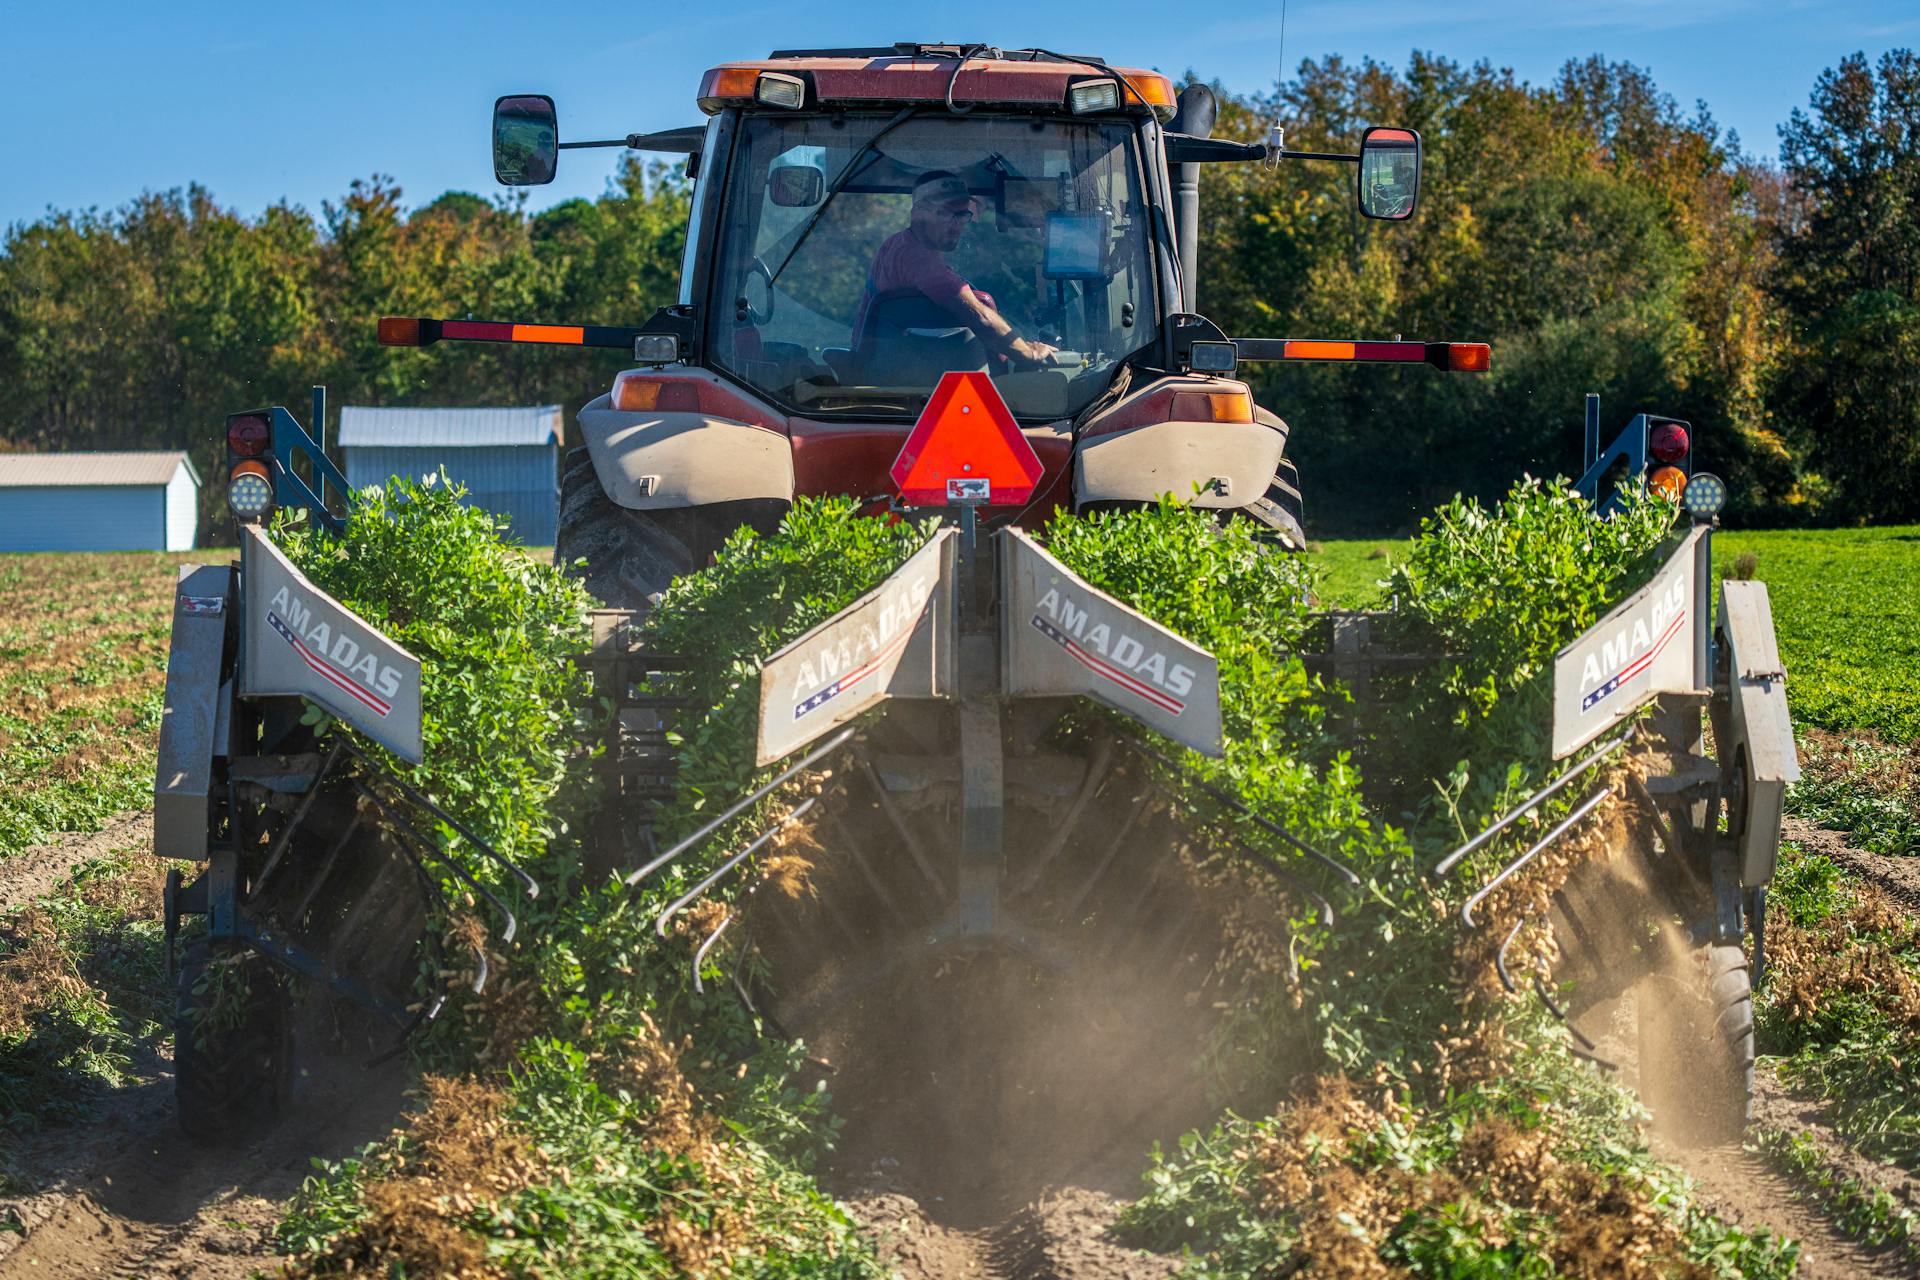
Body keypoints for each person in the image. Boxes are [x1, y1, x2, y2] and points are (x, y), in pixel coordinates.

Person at [850, 171, 1058, 367]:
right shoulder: (918, 260)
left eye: (961, 214)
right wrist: (1028, 352)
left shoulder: (894, 245)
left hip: (892, 375)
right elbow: (980, 318)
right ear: (917, 215)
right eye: (944, 213)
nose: (956, 224)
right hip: (929, 383)